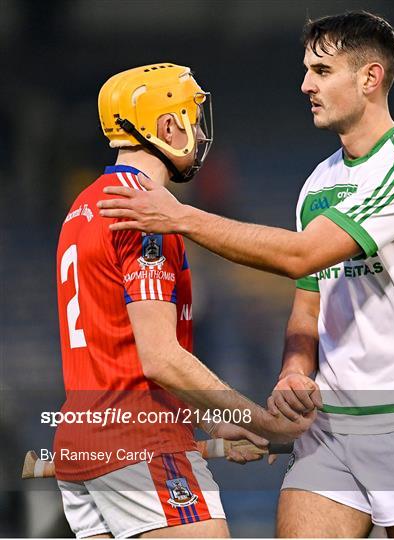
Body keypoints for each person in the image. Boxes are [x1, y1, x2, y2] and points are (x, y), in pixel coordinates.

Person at [97, 13, 394, 538]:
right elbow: (308, 303)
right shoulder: (319, 182)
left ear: (369, 77)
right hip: (332, 427)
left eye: (321, 70)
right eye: (306, 70)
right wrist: (294, 371)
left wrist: (180, 216)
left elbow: (302, 256)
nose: (305, 84)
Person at [55, 62, 314, 539]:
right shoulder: (147, 212)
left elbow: (120, 352)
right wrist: (259, 421)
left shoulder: (84, 205)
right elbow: (160, 358)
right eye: (190, 120)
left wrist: (219, 426)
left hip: (83, 449)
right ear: (166, 127)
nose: (197, 132)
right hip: (140, 446)